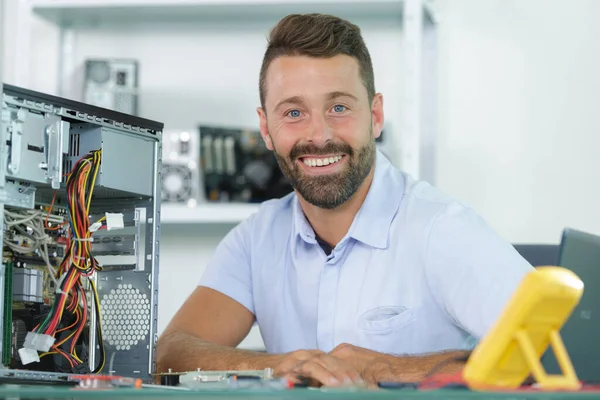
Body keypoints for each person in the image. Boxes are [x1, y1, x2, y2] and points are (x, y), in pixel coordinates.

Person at [156, 13, 534, 387]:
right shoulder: (256, 239)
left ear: (375, 115)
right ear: (266, 129)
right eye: (293, 112)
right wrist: (278, 366)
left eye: (339, 108)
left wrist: (384, 369)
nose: (319, 135)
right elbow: (170, 352)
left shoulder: (442, 228)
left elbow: (546, 351)